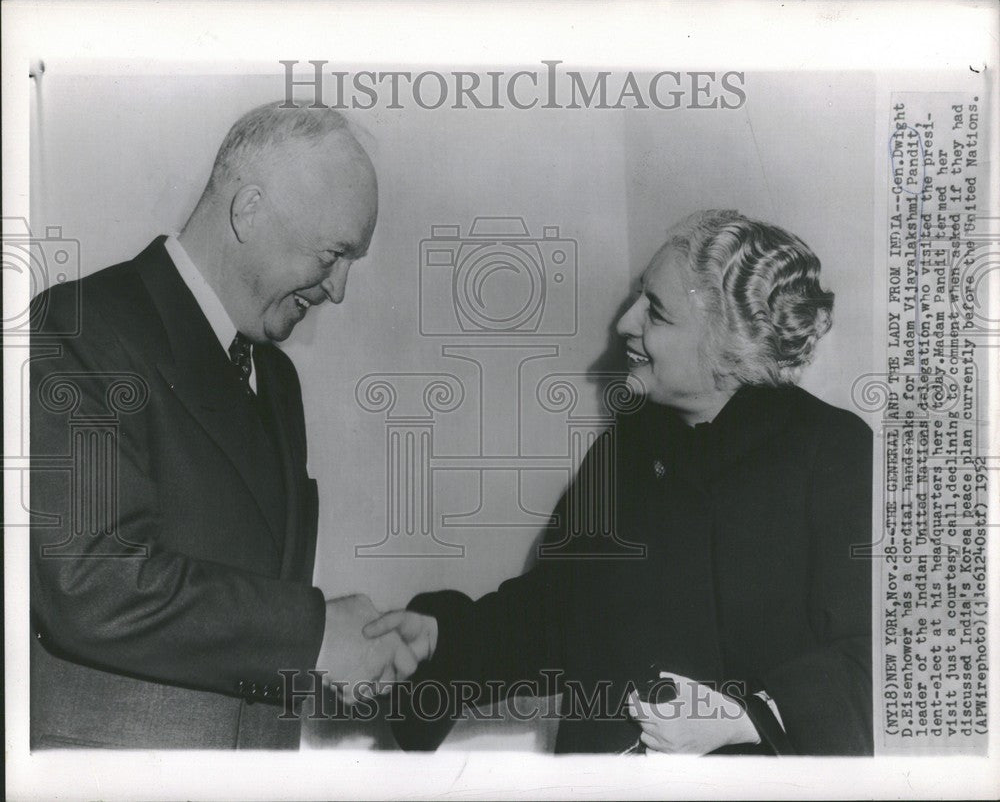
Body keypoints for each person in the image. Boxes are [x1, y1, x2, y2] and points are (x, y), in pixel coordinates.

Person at [366, 210, 874, 755]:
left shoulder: (834, 451)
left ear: (729, 345)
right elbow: (557, 608)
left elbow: (872, 659)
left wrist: (744, 718)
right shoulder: (628, 442)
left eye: (655, 311)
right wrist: (447, 637)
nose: (625, 323)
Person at [29, 101, 417, 749]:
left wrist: (348, 649)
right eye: (333, 253)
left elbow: (245, 606)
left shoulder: (276, 378)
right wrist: (315, 633)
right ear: (249, 209)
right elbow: (93, 583)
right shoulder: (80, 328)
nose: (340, 290)